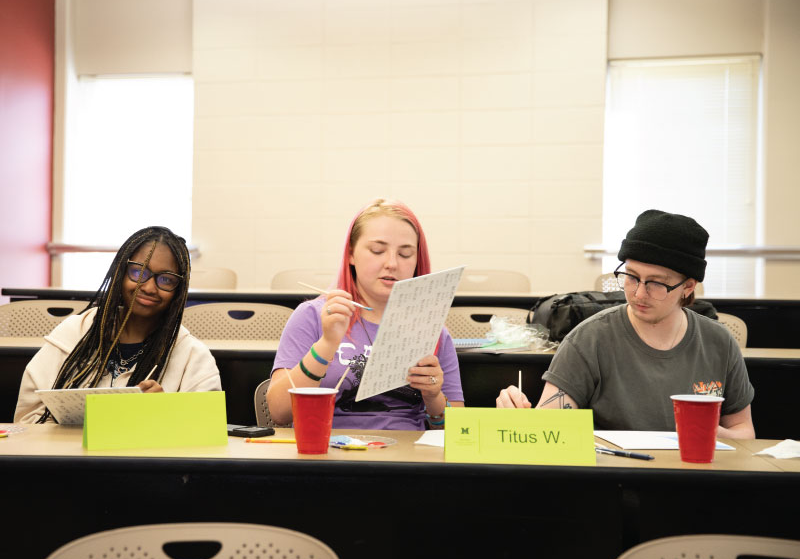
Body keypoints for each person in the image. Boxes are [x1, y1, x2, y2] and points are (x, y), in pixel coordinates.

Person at [496, 210, 755, 439]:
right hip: (616, 485)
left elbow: (744, 430)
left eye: (656, 283)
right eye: (631, 277)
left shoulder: (718, 342)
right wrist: (518, 416)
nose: (639, 294)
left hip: (697, 483)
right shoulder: (590, 339)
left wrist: (708, 432)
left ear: (688, 287)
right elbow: (549, 426)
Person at [267, 198, 464, 430]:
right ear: (351, 254)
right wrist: (328, 343)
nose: (391, 263)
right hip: (328, 453)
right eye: (377, 250)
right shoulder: (313, 315)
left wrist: (433, 397)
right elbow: (279, 412)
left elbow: (456, 430)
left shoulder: (431, 330)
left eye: (405, 254)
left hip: (408, 457)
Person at [14, 226, 221, 424]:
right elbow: (28, 419)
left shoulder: (193, 357)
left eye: (166, 280)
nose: (149, 287)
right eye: (139, 272)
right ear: (121, 272)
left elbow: (206, 436)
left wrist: (166, 413)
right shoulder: (73, 334)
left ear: (179, 289)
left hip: (144, 461)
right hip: (70, 459)